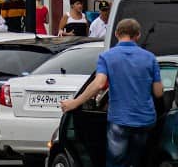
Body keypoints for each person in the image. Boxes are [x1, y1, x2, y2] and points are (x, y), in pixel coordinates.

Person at [61, 18, 164, 167]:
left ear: (116, 33)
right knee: (139, 160)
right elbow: (159, 92)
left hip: (120, 119)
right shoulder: (150, 58)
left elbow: (99, 84)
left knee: (116, 162)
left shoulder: (107, 57)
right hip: (145, 120)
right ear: (138, 35)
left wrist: (75, 103)